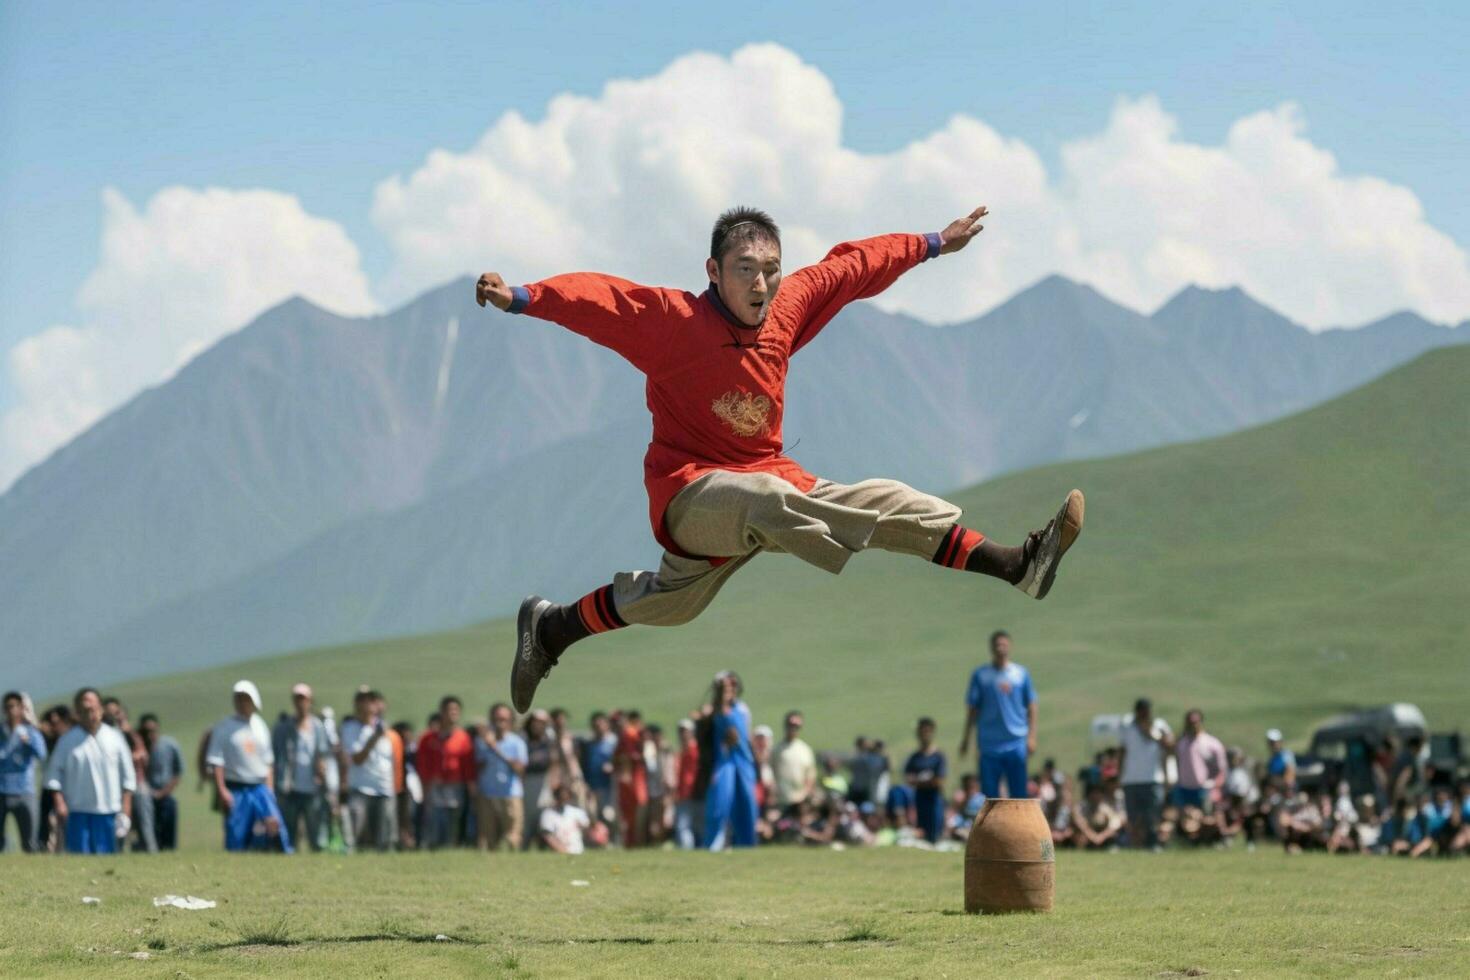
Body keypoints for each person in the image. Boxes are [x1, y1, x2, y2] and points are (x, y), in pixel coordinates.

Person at [482, 206, 1087, 713]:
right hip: (693, 492)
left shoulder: (787, 309)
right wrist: (521, 297)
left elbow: (854, 266)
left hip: (772, 486)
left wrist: (930, 243)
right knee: (768, 502)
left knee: (874, 506)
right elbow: (600, 301)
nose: (761, 284)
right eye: (745, 270)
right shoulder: (673, 322)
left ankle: (1016, 566)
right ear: (714, 272)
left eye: (771, 270)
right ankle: (827, 531)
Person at [43, 688, 134, 854]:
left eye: (92, 709)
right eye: (84, 710)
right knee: (79, 860)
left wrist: (125, 810)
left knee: (107, 859)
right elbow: (53, 776)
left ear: (100, 709)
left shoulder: (115, 738)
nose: (89, 714)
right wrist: (60, 803)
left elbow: (128, 777)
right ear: (77, 713)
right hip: (77, 812)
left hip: (108, 811)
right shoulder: (67, 740)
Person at [207, 680, 291, 853]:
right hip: (236, 788)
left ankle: (283, 857)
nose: (242, 702)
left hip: (260, 788)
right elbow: (216, 761)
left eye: (246, 699)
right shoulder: (224, 727)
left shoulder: (260, 726)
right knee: (237, 834)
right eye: (238, 698)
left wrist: (269, 790)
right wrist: (221, 790)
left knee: (275, 826)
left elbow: (268, 762)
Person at [958, 630, 1037, 799]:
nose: (1001, 648)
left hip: (1016, 741)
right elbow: (972, 709)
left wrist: (1031, 737)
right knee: (990, 796)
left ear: (1010, 647)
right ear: (991, 648)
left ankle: (1018, 826)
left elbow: (1031, 705)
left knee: (1019, 794)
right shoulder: (981, 675)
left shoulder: (1020, 674)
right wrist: (966, 739)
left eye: (1004, 645)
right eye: (997, 645)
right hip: (989, 744)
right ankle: (992, 826)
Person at [271, 684, 332, 852]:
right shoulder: (283, 728)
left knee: (317, 834)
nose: (300, 703)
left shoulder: (318, 727)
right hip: (289, 788)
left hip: (313, 788)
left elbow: (323, 754)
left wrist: (323, 775)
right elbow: (275, 756)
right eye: (297, 698)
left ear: (310, 701)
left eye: (304, 699)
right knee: (289, 834)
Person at [703, 671, 758, 850]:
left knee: (747, 803)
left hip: (743, 760)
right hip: (724, 761)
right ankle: (713, 843)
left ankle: (746, 844)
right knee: (719, 803)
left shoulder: (742, 709)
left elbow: (741, 736)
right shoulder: (713, 709)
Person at [339, 688, 397, 852]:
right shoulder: (350, 728)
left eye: (371, 700)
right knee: (355, 834)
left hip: (384, 788)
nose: (367, 705)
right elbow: (357, 759)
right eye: (363, 700)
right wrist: (374, 739)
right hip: (360, 788)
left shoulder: (384, 729)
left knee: (385, 838)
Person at [418, 696, 474, 849]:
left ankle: (452, 846)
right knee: (434, 818)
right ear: (442, 712)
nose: (453, 713)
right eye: (449, 710)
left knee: (454, 819)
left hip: (456, 786)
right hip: (435, 786)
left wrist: (470, 785)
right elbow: (423, 764)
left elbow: (468, 764)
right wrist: (425, 784)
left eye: (456, 710)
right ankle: (432, 846)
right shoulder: (428, 738)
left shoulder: (463, 738)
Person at [1118, 698, 1173, 851]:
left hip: (1153, 778)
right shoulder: (1127, 726)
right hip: (1131, 779)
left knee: (1152, 815)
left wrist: (1153, 734)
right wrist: (1119, 775)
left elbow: (1170, 746)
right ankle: (1135, 844)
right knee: (1134, 816)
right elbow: (1122, 751)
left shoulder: (1159, 725)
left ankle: (1153, 843)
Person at [474, 703, 527, 851]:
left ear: (510, 721)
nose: (500, 723)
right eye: (496, 719)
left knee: (513, 836)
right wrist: (485, 744)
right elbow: (478, 766)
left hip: (510, 794)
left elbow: (519, 769)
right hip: (488, 794)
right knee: (489, 837)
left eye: (503, 719)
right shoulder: (481, 743)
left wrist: (495, 748)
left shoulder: (517, 743)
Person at [1, 690, 48, 852]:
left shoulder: (31, 732)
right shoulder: (1, 732)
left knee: (29, 839)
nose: (12, 710)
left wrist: (29, 742)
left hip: (25, 790)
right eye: (8, 706)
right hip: (2, 790)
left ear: (22, 708)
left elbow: (41, 754)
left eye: (15, 706)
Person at [137, 713, 183, 851]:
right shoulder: (139, 747)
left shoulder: (170, 745)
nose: (150, 734)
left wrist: (162, 793)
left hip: (165, 793)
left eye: (153, 730)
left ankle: (169, 850)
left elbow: (178, 772)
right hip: (144, 795)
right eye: (146, 731)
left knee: (170, 810)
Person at [905, 717, 948, 844]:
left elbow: (939, 780)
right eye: (921, 731)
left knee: (935, 832)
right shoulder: (914, 757)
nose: (924, 735)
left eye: (927, 731)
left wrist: (920, 781)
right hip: (920, 798)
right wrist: (926, 781)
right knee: (921, 832)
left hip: (934, 798)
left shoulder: (938, 756)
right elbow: (908, 778)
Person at [1174, 709, 1227, 811]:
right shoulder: (1181, 742)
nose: (1193, 725)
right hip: (1183, 788)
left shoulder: (1212, 744)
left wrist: (1214, 786)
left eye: (1195, 722)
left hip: (1204, 790)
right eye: (1190, 722)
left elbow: (1222, 769)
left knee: (1206, 820)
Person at [522, 710, 557, 850]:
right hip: (526, 782)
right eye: (535, 721)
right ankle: (524, 847)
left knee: (544, 819)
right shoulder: (523, 739)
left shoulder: (549, 741)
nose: (538, 725)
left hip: (543, 783)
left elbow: (554, 763)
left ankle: (543, 848)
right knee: (526, 819)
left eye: (542, 722)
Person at [613, 709, 648, 847]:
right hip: (633, 777)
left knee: (633, 810)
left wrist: (626, 773)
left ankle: (633, 842)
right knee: (629, 812)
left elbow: (626, 756)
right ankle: (631, 842)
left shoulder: (629, 733)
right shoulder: (628, 733)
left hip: (633, 778)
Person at [772, 711, 817, 816]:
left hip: (801, 801)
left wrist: (806, 795)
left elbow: (810, 775)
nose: (793, 728)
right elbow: (770, 772)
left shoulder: (805, 750)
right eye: (791, 724)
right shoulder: (777, 750)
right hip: (781, 800)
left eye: (797, 725)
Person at [673, 718, 702, 849]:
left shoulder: (694, 749)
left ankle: (688, 851)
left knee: (685, 826)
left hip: (692, 792)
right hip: (683, 792)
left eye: (685, 731)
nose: (683, 734)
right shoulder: (682, 751)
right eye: (681, 731)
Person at [539, 783, 591, 855]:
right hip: (560, 851)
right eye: (561, 798)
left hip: (578, 850)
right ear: (556, 797)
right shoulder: (548, 814)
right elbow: (548, 836)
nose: (563, 801)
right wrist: (562, 850)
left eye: (566, 798)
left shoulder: (577, 812)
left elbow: (589, 828)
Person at [1072, 782, 1124, 850]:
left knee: (1113, 834)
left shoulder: (1105, 807)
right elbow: (1079, 822)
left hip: (1102, 834)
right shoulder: (1082, 807)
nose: (1095, 796)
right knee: (1080, 836)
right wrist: (1093, 836)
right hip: (1088, 834)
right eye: (1093, 793)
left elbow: (1115, 823)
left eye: (1098, 793)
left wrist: (1101, 837)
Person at [1265, 729, 1297, 795]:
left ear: (1280, 742)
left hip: (1285, 791)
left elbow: (1290, 777)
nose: (1272, 745)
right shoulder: (1272, 758)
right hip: (1274, 791)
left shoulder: (1286, 756)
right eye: (1270, 742)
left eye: (1274, 742)